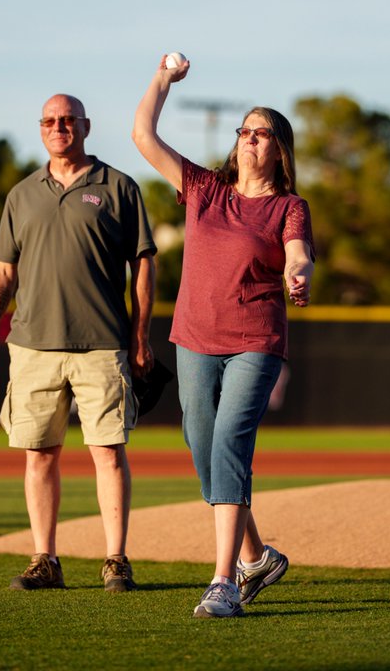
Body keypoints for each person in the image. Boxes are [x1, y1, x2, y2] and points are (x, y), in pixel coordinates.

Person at [132, 54, 314, 618]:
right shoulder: (205, 189)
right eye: (245, 131)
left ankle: (223, 581)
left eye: (262, 134)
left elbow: (298, 252)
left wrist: (298, 272)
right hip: (193, 336)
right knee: (201, 442)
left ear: (279, 149)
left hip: (256, 339)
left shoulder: (289, 205)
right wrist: (163, 79)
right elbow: (143, 135)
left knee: (232, 439)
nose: (250, 140)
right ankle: (257, 556)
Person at [0, 93, 156, 594]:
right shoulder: (23, 194)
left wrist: (140, 336)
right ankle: (44, 560)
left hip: (102, 343)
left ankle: (116, 559)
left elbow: (143, 265)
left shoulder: (118, 187)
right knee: (40, 454)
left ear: (86, 126)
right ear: (41, 129)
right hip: (32, 345)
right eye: (51, 121)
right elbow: (2, 272)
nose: (60, 127)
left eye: (68, 120)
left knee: (109, 453)